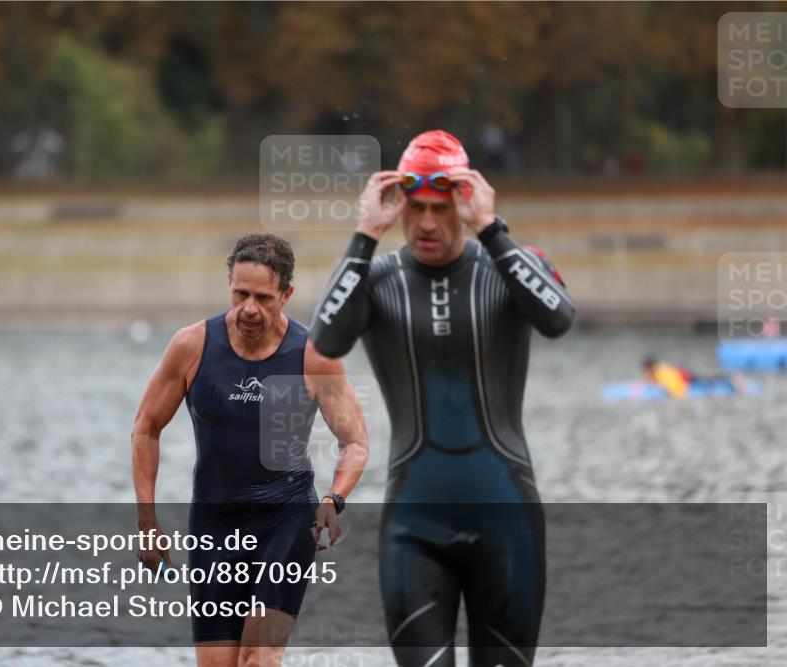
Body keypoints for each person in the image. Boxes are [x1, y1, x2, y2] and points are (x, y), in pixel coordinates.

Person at [310, 130, 576, 666]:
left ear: (464, 201)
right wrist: (364, 235)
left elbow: (558, 317)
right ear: (399, 204)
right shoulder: (377, 281)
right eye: (415, 207)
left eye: (441, 208)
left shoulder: (506, 269)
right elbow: (326, 338)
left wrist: (492, 230)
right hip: (415, 527)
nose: (427, 223)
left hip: (507, 523)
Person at [132, 234, 369, 667]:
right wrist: (147, 521)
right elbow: (146, 428)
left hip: (286, 519)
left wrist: (335, 499)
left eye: (263, 297)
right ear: (230, 286)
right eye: (240, 293)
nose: (249, 309)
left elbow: (354, 441)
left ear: (287, 294)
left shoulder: (313, 354)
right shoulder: (192, 346)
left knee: (258, 660)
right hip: (214, 522)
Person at [642, 357, 747, 398]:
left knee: (708, 381)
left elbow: (673, 385)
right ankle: (731, 376)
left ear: (649, 367)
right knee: (707, 379)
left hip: (685, 380)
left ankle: (732, 378)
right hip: (685, 375)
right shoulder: (661, 366)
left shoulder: (658, 372)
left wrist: (675, 393)